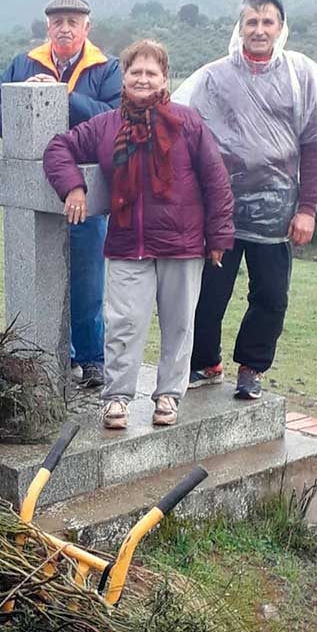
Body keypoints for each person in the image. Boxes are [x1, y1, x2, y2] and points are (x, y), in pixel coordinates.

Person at [43, 40, 234, 430]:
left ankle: (168, 395)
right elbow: (59, 147)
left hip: (182, 244)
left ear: (165, 79)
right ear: (125, 78)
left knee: (179, 325)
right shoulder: (106, 125)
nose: (143, 79)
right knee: (123, 323)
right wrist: (73, 187)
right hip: (128, 242)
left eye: (151, 72)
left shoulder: (188, 123)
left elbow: (216, 181)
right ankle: (117, 397)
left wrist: (218, 237)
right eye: (135, 72)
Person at [174, 0, 317, 400]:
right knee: (208, 293)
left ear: (280, 28)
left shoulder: (299, 75)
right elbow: (186, 135)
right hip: (220, 209)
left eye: (267, 22)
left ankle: (251, 368)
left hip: (277, 211)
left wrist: (308, 208)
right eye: (251, 22)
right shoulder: (214, 77)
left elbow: (314, 145)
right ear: (239, 28)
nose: (259, 30)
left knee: (271, 295)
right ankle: (205, 362)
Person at [0, 0, 122, 387]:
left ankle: (92, 358)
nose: (65, 28)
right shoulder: (23, 64)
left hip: (82, 186)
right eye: (58, 21)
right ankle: (42, 359)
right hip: (33, 182)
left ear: (86, 28)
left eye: (72, 22)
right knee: (35, 275)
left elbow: (113, 118)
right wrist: (26, 102)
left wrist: (62, 97)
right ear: (48, 26)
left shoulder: (107, 67)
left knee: (87, 278)